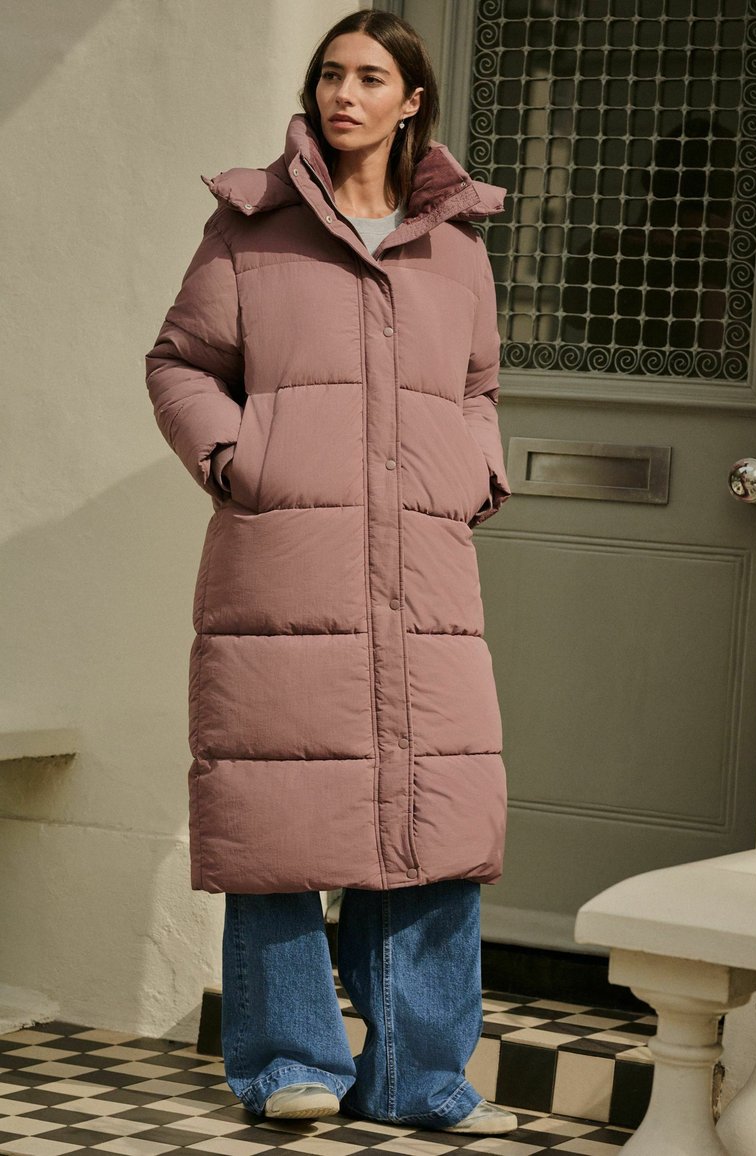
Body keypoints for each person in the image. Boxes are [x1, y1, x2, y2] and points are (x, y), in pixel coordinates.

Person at [145, 8, 514, 1137]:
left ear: (411, 102)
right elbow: (181, 362)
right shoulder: (250, 228)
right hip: (282, 566)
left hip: (424, 571)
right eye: (329, 75)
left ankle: (422, 1076)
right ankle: (288, 1061)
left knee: (435, 815)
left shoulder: (456, 249)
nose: (343, 95)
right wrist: (235, 457)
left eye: (369, 77)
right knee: (279, 809)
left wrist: (474, 472)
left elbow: (477, 390)